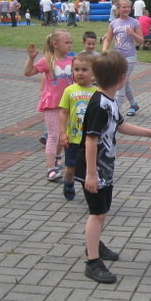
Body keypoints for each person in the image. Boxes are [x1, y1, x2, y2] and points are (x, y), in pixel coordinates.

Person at [75, 51, 151, 283]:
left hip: (103, 168)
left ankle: (95, 245)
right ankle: (92, 262)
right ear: (122, 78)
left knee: (102, 211)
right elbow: (90, 140)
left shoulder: (109, 101)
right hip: (94, 170)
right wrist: (91, 174)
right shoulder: (99, 105)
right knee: (97, 214)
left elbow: (120, 125)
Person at [24, 29, 74, 181]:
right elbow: (28, 72)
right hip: (52, 104)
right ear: (55, 44)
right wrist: (31, 58)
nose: (70, 45)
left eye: (71, 42)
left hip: (68, 103)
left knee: (64, 134)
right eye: (66, 42)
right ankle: (50, 169)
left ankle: (58, 157)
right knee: (53, 135)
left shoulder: (73, 60)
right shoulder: (47, 60)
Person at [58, 52, 97, 201]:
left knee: (89, 167)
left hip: (90, 139)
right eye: (76, 69)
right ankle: (68, 182)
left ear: (94, 72)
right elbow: (63, 112)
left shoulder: (97, 92)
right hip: (73, 138)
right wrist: (62, 133)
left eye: (84, 69)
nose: (80, 73)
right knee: (71, 167)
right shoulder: (69, 90)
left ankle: (90, 190)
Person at [102, 0, 143, 117]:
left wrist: (133, 33)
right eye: (124, 7)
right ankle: (134, 104)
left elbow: (141, 41)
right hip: (118, 56)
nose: (126, 9)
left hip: (130, 56)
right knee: (125, 81)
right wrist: (104, 51)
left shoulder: (135, 22)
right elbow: (108, 39)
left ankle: (116, 111)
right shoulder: (114, 23)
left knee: (120, 80)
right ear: (118, 9)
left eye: (128, 7)